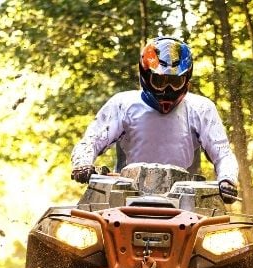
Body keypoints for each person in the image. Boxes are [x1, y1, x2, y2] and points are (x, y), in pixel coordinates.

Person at [70, 36, 240, 204]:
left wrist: (227, 180)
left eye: (175, 82)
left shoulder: (202, 108)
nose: (167, 89)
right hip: (123, 196)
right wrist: (82, 164)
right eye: (159, 81)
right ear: (146, 76)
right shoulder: (122, 104)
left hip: (188, 200)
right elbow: (91, 141)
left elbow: (222, 153)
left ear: (186, 79)